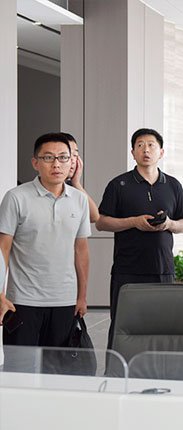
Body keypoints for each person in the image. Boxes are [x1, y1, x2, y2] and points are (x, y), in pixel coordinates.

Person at [96, 128, 183, 348]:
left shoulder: (173, 185)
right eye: (140, 145)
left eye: (151, 145)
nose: (146, 150)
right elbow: (101, 222)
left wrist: (169, 224)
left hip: (162, 269)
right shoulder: (118, 185)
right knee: (122, 326)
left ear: (161, 152)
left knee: (162, 326)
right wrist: (133, 222)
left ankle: (157, 367)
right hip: (127, 269)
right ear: (132, 153)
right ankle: (117, 368)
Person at [0, 133, 90, 347]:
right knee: (21, 365)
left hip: (65, 301)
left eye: (63, 157)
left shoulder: (80, 200)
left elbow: (81, 251)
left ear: (72, 162)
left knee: (59, 365)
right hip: (22, 301)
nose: (56, 164)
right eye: (48, 158)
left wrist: (82, 297)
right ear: (35, 163)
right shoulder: (16, 197)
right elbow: (3, 248)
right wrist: (0, 295)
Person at [61, 132, 100, 223]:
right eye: (67, 155)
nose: (73, 160)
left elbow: (94, 217)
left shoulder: (72, 187)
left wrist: (76, 183)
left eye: (75, 155)